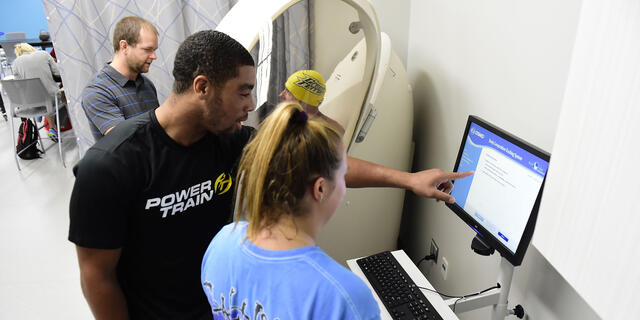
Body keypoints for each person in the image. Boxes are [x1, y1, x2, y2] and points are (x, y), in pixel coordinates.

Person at [69, 30, 470, 319]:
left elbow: (318, 162)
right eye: (243, 92)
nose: (251, 104)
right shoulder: (111, 165)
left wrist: (409, 179)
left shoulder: (226, 140)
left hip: (219, 300)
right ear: (203, 86)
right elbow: (97, 276)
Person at [201, 102, 379, 319]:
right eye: (342, 175)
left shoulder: (223, 241)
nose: (344, 187)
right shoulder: (342, 296)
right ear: (320, 188)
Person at [80, 16, 160, 139]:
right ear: (124, 46)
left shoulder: (147, 84)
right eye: (147, 49)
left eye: (154, 50)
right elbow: (124, 143)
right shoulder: (97, 91)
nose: (154, 56)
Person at [12, 43, 64, 141]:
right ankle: (53, 128)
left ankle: (40, 115)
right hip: (50, 99)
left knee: (41, 97)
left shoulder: (16, 62)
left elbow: (19, 86)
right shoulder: (43, 54)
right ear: (30, 48)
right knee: (54, 94)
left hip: (30, 102)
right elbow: (58, 73)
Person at [279, 69, 345, 135]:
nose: (281, 95)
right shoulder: (335, 128)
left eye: (288, 91)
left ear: (303, 99)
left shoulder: (315, 133)